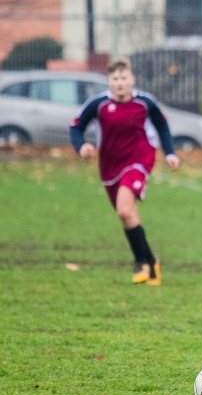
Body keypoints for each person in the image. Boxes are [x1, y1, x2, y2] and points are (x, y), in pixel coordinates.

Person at [69, 57, 180, 286]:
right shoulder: (98, 104)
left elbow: (162, 125)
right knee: (128, 216)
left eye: (124, 78)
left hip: (139, 160)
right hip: (109, 165)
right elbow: (76, 127)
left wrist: (170, 152)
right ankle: (152, 262)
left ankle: (140, 262)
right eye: (115, 78)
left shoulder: (145, 103)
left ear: (132, 80)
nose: (120, 82)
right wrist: (81, 146)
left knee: (124, 210)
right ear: (109, 81)